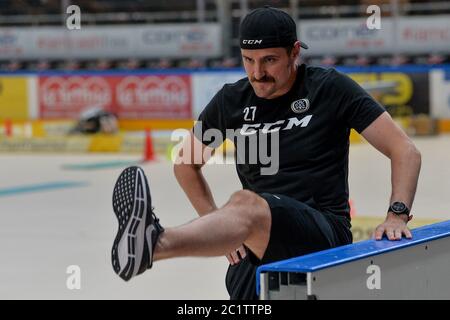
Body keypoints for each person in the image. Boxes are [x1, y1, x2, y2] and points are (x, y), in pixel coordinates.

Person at [110, 6, 421, 300]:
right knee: (247, 212)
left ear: (295, 52)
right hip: (253, 245)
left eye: (269, 60)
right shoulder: (232, 100)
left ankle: (155, 244)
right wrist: (217, 225)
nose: (257, 73)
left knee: (245, 203)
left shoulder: (329, 88)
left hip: (322, 236)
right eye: (248, 60)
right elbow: (185, 164)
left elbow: (404, 150)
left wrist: (397, 214)